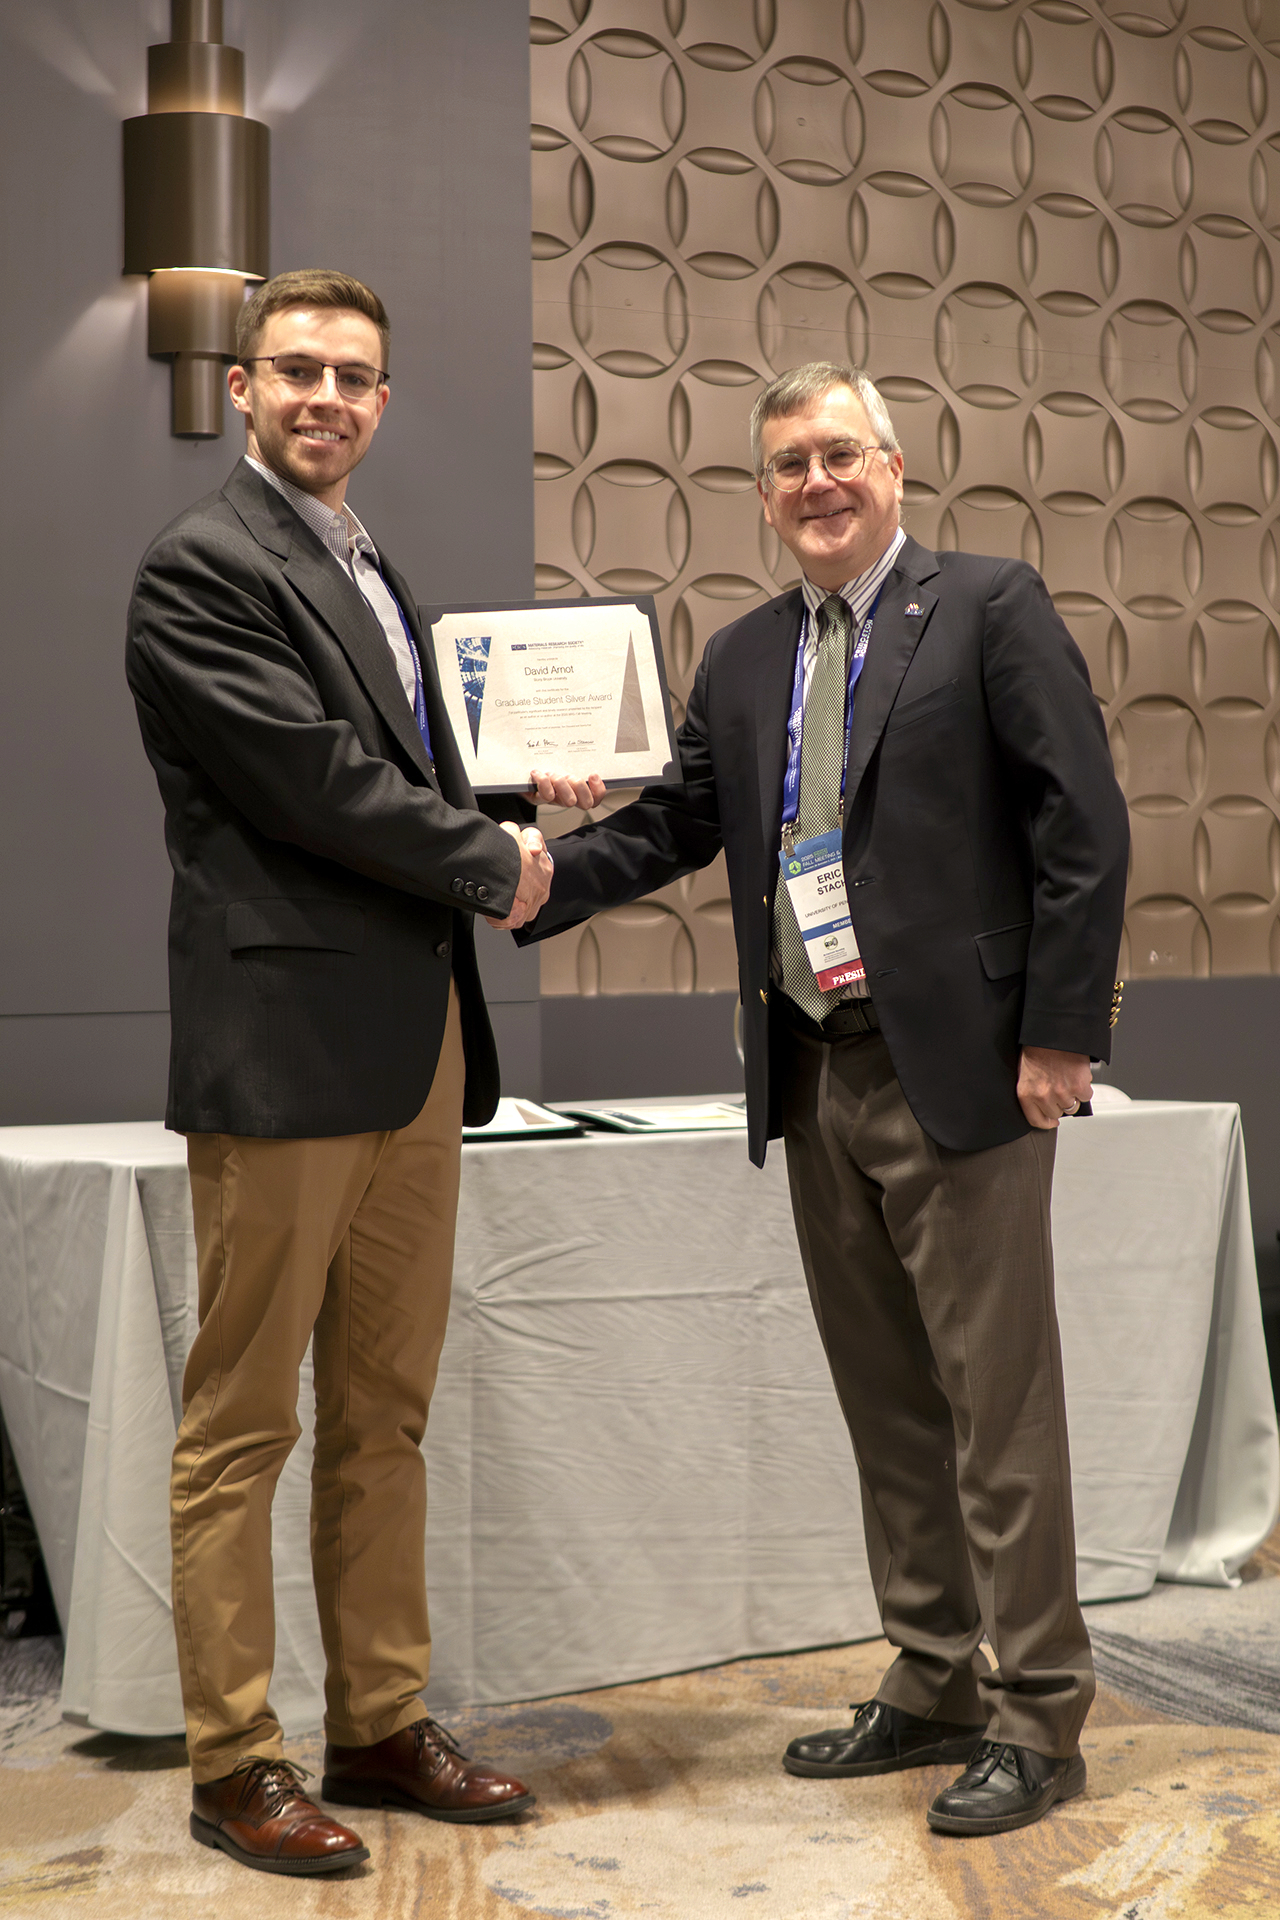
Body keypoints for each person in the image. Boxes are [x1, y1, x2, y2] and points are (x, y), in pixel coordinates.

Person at [516, 362, 1129, 1837]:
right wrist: (530, 870)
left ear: (896, 468)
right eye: (789, 464)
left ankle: (1041, 1712)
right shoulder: (740, 655)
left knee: (1000, 1410)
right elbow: (676, 823)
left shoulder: (990, 605)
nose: (816, 483)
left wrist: (1060, 1035)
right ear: (764, 493)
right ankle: (934, 1679)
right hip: (813, 1066)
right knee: (890, 1406)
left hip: (968, 1075)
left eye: (839, 454)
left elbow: (1082, 823)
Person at [126, 269, 601, 1877]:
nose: (329, 396)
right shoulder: (202, 565)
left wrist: (514, 782)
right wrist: (494, 855)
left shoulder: (370, 562)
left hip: (415, 1050)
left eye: (357, 377)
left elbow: (398, 760)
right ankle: (233, 1755)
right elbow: (309, 782)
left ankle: (381, 1722)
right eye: (300, 370)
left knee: (386, 1416)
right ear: (243, 388)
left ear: (384, 403)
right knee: (243, 1424)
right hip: (289, 1053)